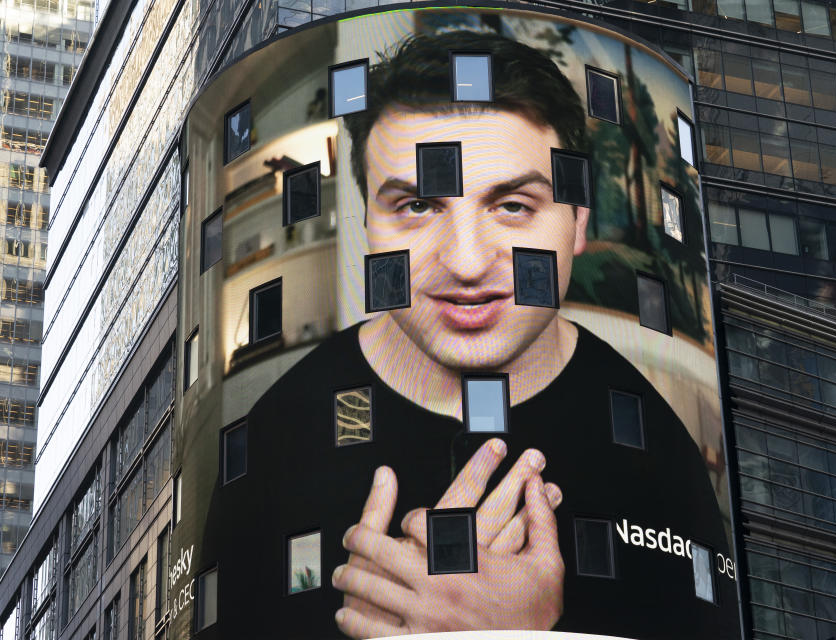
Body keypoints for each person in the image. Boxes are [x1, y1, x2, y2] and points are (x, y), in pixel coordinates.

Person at [204, 30, 739, 640]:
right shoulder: (274, 439)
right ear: (369, 230)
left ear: (576, 225)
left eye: (512, 206)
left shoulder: (659, 449)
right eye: (417, 207)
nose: (465, 263)